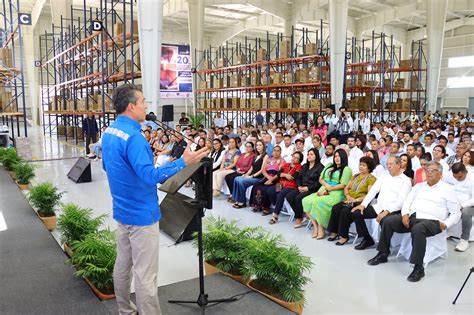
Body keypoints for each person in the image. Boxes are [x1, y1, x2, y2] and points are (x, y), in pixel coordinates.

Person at [102, 84, 208, 314]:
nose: (146, 106)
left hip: (122, 210)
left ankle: (125, 310)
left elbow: (106, 166)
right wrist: (183, 162)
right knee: (145, 275)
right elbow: (150, 177)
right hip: (142, 215)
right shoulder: (135, 138)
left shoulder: (109, 132)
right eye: (143, 102)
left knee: (123, 264)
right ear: (132, 106)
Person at [367, 161, 461, 282]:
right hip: (413, 218)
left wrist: (446, 224)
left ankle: (418, 268)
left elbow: (456, 212)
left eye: (433, 171)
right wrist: (405, 214)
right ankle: (383, 253)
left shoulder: (448, 189)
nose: (429, 173)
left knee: (418, 229)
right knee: (388, 220)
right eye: (427, 170)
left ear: (441, 174)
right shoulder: (419, 186)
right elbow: (407, 201)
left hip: (432, 221)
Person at [351, 156, 413, 250]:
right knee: (357, 213)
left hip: (394, 210)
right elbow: (373, 191)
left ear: (399, 165)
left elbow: (402, 201)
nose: (388, 166)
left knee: (385, 221)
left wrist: (387, 211)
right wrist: (363, 204)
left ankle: (383, 250)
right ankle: (367, 239)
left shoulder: (406, 180)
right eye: (387, 164)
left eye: (391, 164)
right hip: (379, 207)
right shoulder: (384, 175)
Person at [327, 156, 377, 246]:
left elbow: (370, 195)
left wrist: (355, 199)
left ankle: (344, 236)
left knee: (345, 211)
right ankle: (334, 232)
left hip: (359, 202)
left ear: (369, 167)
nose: (361, 167)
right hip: (349, 200)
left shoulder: (371, 179)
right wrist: (348, 196)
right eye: (360, 165)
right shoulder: (356, 176)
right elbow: (346, 188)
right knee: (335, 208)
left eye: (364, 165)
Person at [303, 149, 352, 239]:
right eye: (335, 156)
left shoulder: (346, 169)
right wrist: (327, 186)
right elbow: (321, 178)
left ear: (344, 157)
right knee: (306, 200)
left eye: (339, 156)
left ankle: (321, 228)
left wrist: (330, 189)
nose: (337, 158)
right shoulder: (329, 165)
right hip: (325, 188)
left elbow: (343, 184)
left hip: (337, 192)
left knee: (317, 202)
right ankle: (315, 226)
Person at [285, 148, 324, 228]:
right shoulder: (305, 166)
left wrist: (308, 188)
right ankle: (301, 214)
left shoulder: (320, 167)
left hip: (312, 189)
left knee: (298, 198)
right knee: (289, 196)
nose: (309, 156)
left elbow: (319, 182)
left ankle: (299, 218)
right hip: (301, 187)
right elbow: (299, 178)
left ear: (316, 156)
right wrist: (299, 186)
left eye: (311, 154)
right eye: (308, 154)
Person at [267, 152, 303, 224]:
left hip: (291, 186)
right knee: (270, 191)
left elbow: (293, 177)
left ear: (300, 160)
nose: (293, 158)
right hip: (281, 184)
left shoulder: (300, 167)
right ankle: (277, 206)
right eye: (293, 156)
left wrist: (282, 175)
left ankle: (275, 215)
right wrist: (284, 175)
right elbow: (278, 174)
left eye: (296, 158)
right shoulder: (286, 165)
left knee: (281, 194)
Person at [232, 140, 267, 208]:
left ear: (263, 146)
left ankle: (242, 201)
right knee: (236, 178)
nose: (258, 147)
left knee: (241, 181)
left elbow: (262, 170)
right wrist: (246, 175)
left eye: (260, 145)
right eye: (257, 145)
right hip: (252, 176)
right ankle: (237, 199)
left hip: (259, 178)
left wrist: (251, 176)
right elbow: (252, 167)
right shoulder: (256, 156)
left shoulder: (265, 156)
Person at [249, 146, 284, 213]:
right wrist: (268, 178)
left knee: (267, 189)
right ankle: (257, 205)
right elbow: (263, 170)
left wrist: (272, 180)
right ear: (272, 151)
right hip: (267, 177)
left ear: (280, 152)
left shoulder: (282, 161)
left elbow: (280, 173)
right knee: (256, 186)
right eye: (274, 150)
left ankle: (266, 208)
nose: (276, 152)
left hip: (278, 180)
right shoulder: (268, 159)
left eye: (278, 151)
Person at [451, 163, 474, 252]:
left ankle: (464, 240)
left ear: (465, 172)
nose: (457, 179)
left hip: (470, 206)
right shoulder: (454, 177)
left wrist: (461, 206)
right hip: (455, 203)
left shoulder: (472, 179)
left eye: (459, 177)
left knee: (466, 212)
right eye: (455, 177)